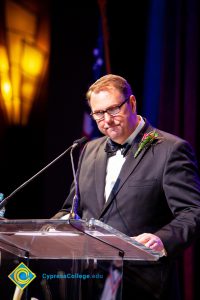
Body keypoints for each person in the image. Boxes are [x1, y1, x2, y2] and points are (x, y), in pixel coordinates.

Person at [53, 74, 200, 299]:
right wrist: (48, 228)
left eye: (113, 110)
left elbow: (192, 212)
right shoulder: (88, 151)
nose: (107, 120)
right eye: (98, 114)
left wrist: (162, 239)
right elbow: (72, 210)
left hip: (143, 284)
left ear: (131, 103)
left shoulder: (170, 150)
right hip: (89, 283)